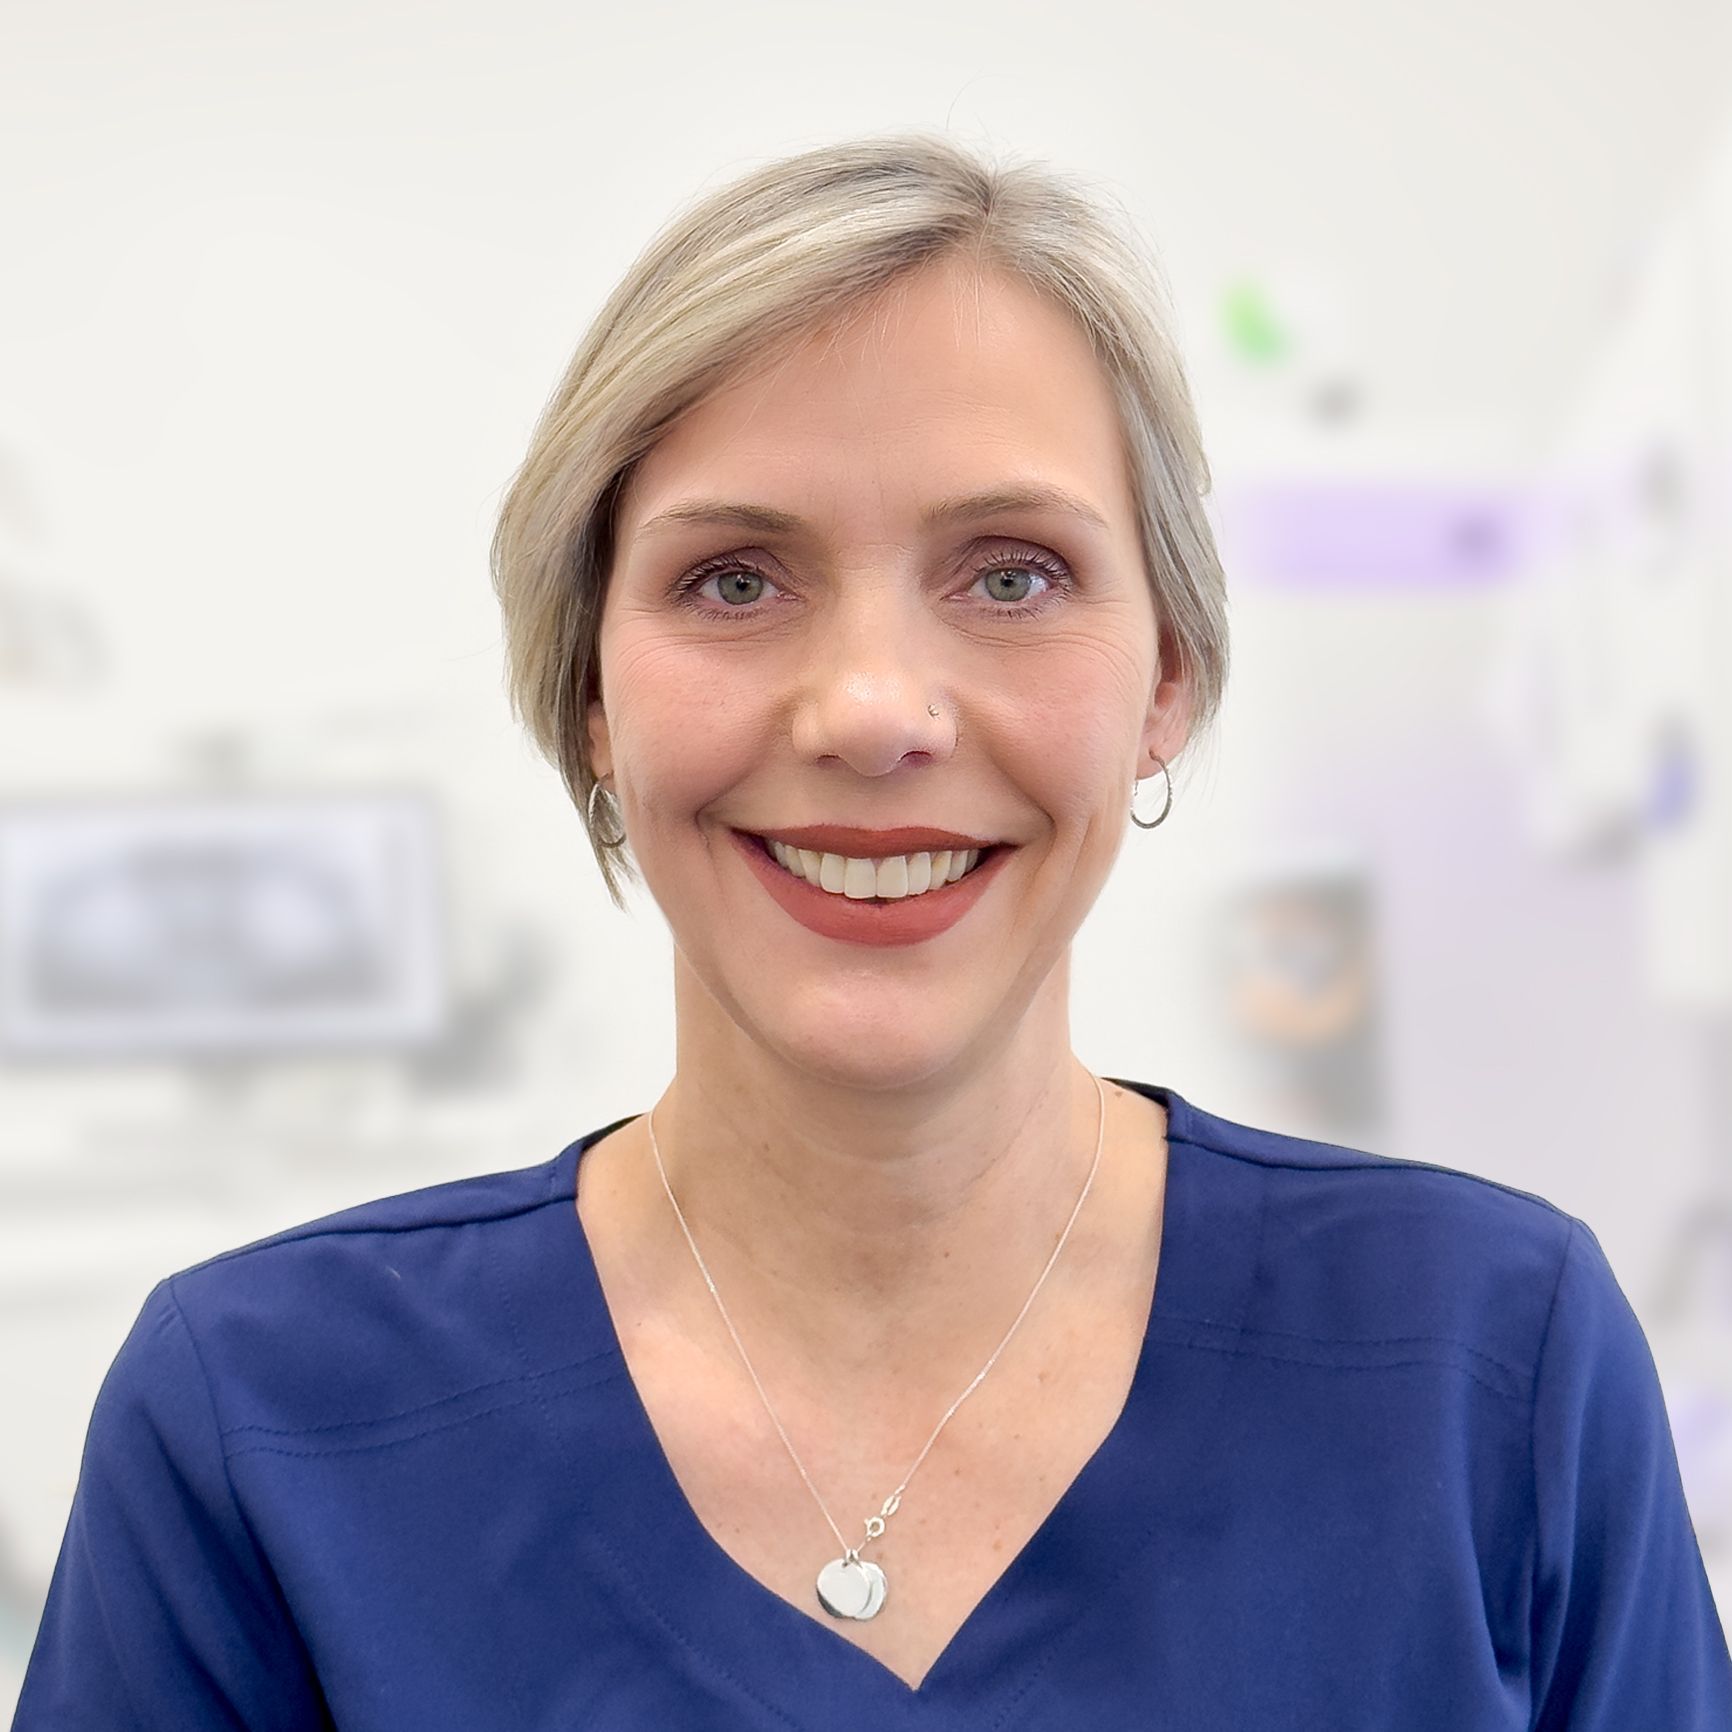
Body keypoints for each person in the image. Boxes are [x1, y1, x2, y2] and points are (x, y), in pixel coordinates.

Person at [13, 130, 1731, 1730]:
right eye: (735, 581)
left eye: (1011, 573)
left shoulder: (1487, 1365)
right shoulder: (262, 1424)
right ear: (591, 694)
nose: (872, 712)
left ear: (1168, 682)